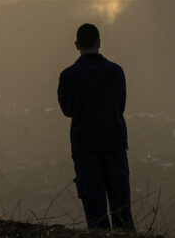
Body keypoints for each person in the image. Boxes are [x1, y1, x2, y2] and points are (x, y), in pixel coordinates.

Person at [57, 23, 134, 230]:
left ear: (76, 45)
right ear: (99, 43)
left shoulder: (68, 76)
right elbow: (121, 105)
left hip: (85, 146)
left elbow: (67, 110)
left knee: (95, 209)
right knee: (121, 207)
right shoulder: (116, 71)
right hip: (114, 143)